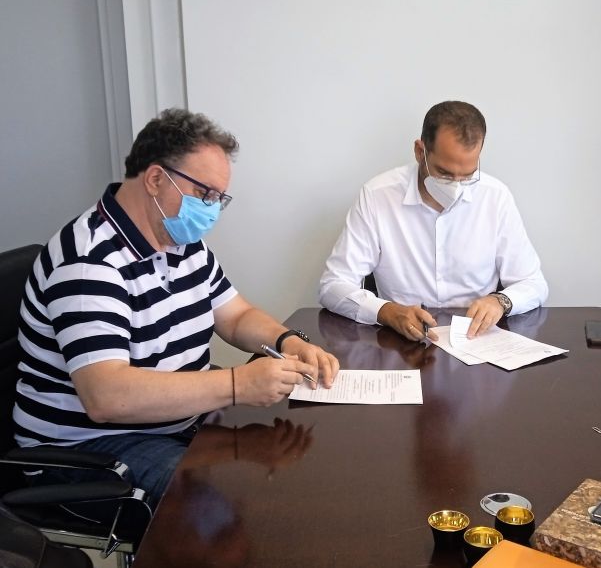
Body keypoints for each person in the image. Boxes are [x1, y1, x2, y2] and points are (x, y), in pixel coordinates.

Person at [13, 108, 339, 507]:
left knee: (280, 467)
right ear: (155, 179)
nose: (212, 209)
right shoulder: (89, 263)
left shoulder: (182, 244)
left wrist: (288, 340)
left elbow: (236, 316)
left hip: (172, 423)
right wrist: (238, 385)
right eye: (205, 194)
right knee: (218, 501)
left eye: (219, 199)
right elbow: (107, 397)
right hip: (90, 447)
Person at [319, 100, 548, 341]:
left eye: (467, 176)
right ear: (420, 152)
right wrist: (387, 311)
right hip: (402, 341)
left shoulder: (495, 197)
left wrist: (501, 301)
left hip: (475, 340)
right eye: (444, 174)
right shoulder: (378, 196)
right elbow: (333, 285)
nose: (456, 187)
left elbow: (533, 282)